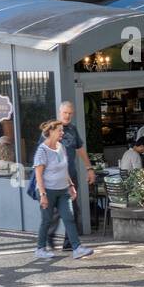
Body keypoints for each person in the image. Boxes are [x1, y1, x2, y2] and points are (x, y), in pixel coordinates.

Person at [33, 119, 94, 261]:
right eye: (59, 130)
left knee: (69, 218)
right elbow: (38, 175)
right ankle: (40, 249)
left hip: (62, 191)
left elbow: (64, 168)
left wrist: (71, 185)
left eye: (62, 130)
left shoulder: (61, 147)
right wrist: (42, 195)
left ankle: (77, 248)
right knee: (47, 220)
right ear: (51, 132)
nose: (62, 132)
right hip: (47, 191)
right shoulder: (42, 150)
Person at [42, 101, 97, 251]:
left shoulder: (72, 129)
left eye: (70, 113)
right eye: (65, 113)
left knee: (72, 209)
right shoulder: (51, 129)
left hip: (70, 176)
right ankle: (48, 235)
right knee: (55, 210)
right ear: (60, 112)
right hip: (54, 178)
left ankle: (68, 243)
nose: (67, 116)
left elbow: (80, 149)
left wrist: (89, 168)